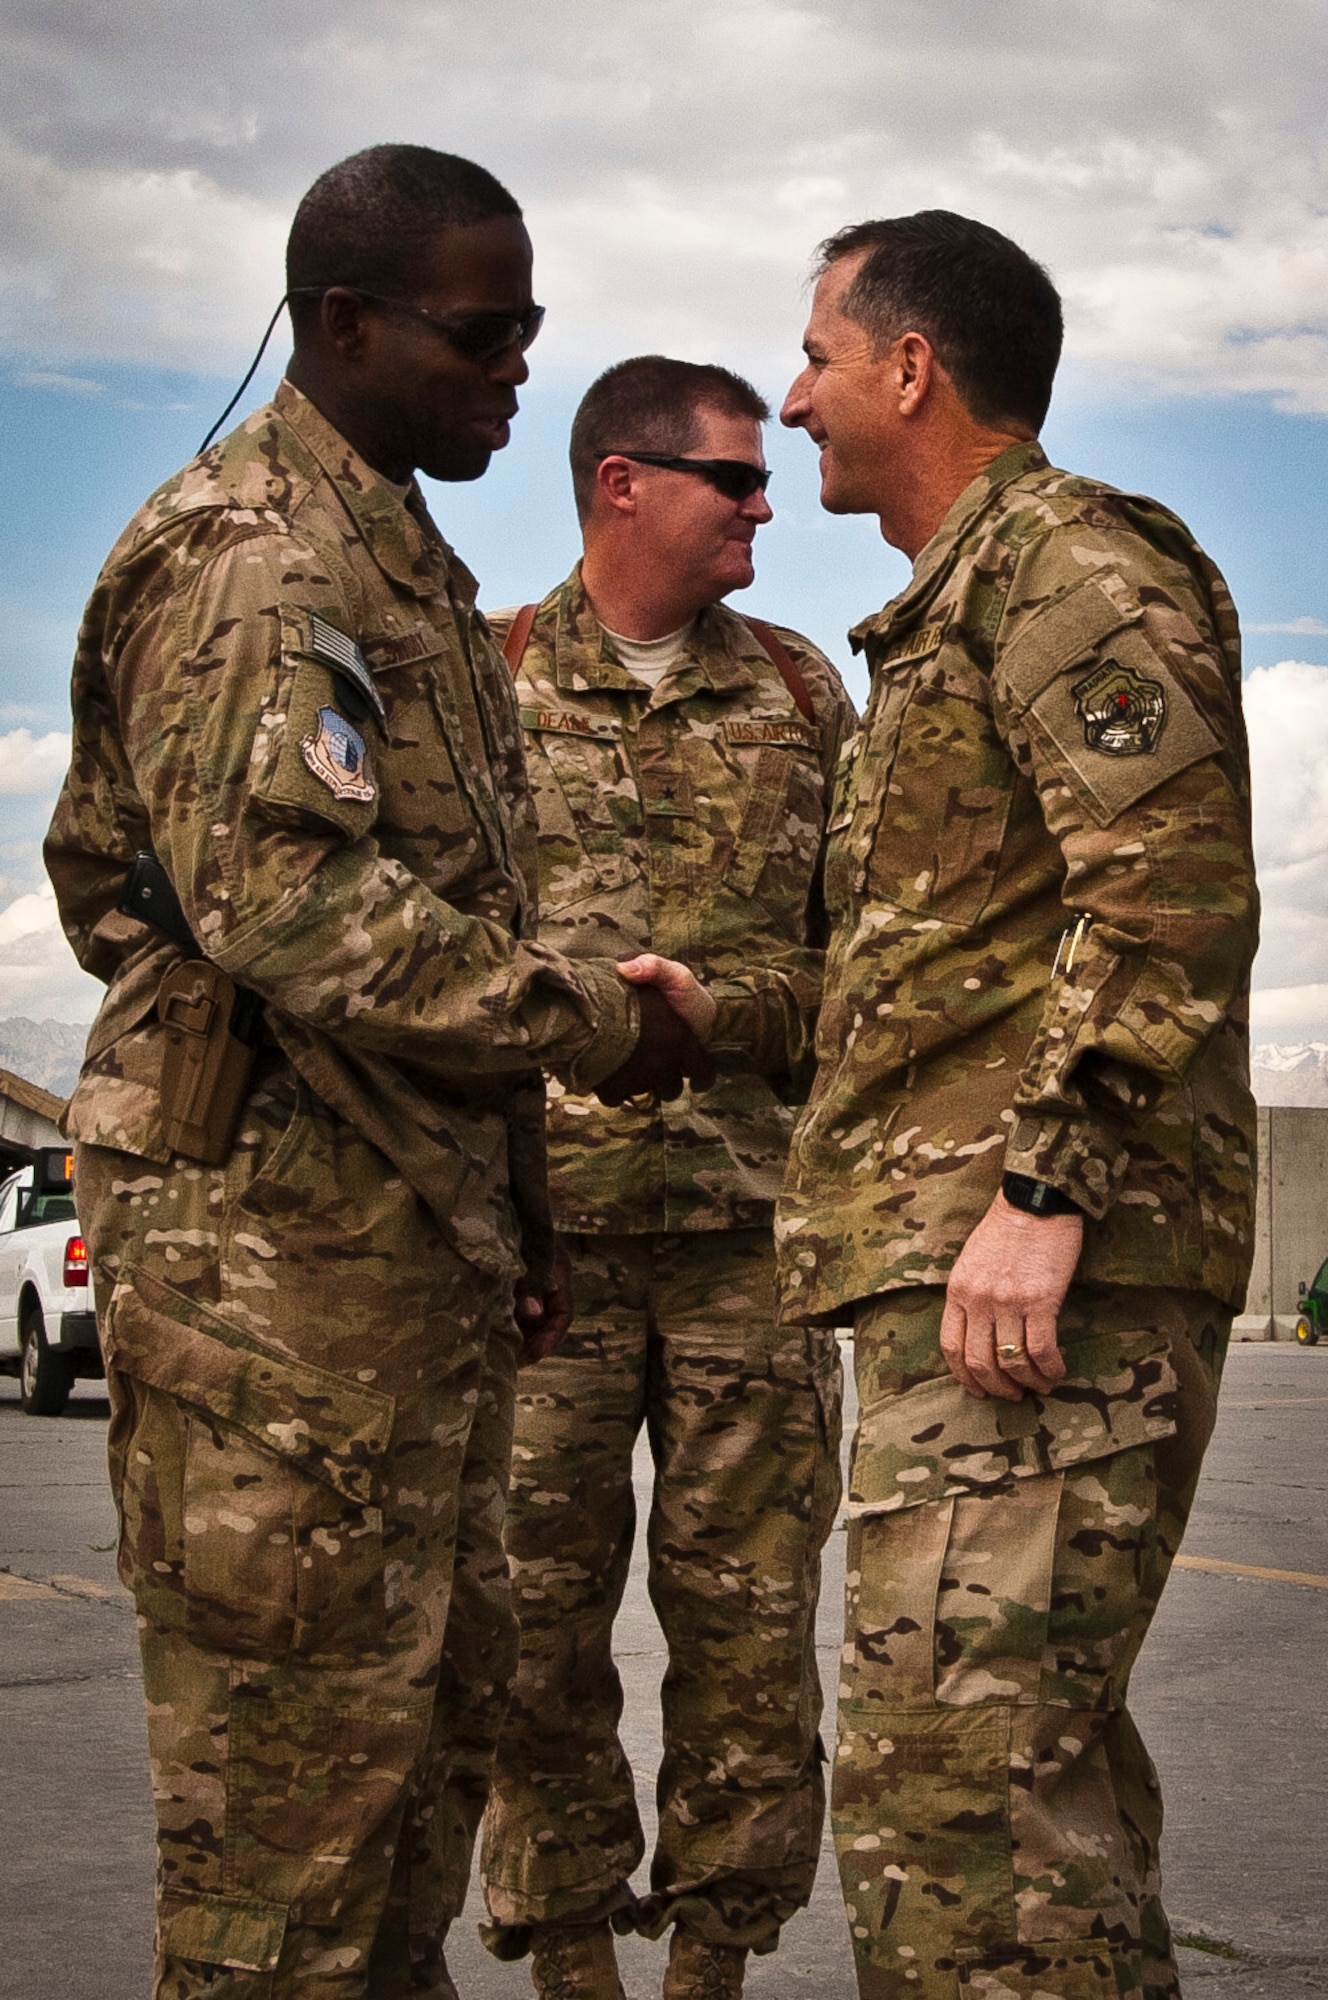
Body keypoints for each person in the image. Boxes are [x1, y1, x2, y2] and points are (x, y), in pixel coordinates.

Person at [43, 147, 711, 2000]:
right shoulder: (256, 558)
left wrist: (509, 1202)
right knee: (290, 1843)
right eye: (482, 334)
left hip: (399, 1254)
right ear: (345, 325)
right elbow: (278, 907)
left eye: (531, 333)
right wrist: (593, 1020)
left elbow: (292, 898)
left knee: (415, 1788)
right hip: (272, 1285)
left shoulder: (397, 562)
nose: (515, 372)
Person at [774, 212, 1259, 2000]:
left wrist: (1043, 1198)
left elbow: (1172, 887)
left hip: (1041, 1281)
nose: (795, 396)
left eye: (817, 353)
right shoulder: (952, 605)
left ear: (911, 368)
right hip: (966, 1275)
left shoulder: (1062, 565)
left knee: (971, 1811)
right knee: (987, 1807)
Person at [476, 356, 856, 2000]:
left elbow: (868, 973)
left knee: (750, 1637)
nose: (768, 504)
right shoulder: (481, 683)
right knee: (533, 1628)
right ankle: (571, 1966)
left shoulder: (802, 696)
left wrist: (730, 1018)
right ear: (622, 483)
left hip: (749, 1248)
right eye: (734, 480)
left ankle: (714, 1963)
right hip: (536, 1249)